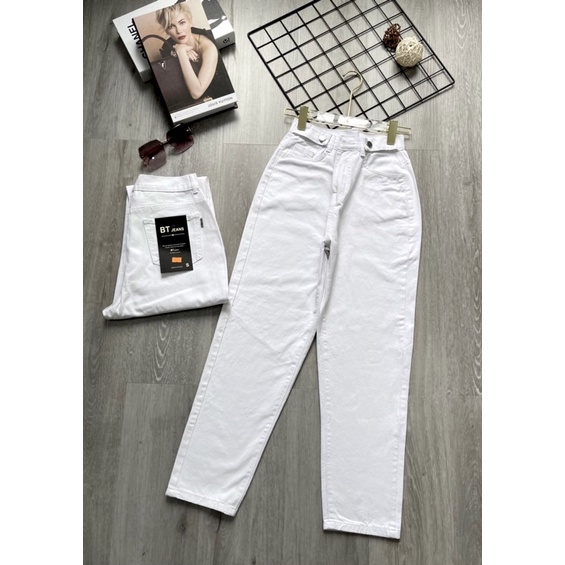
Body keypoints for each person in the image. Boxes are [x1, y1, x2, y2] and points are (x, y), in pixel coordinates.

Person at [156, 2, 219, 102]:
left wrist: (181, 52)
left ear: (190, 21)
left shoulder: (208, 47)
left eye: (182, 23)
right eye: (171, 26)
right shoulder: (168, 46)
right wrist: (177, 50)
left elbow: (196, 93)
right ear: (167, 31)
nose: (179, 31)